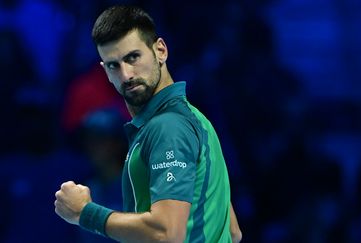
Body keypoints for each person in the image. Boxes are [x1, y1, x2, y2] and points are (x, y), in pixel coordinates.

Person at [54, 5, 242, 243]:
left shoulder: (167, 128)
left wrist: (85, 213)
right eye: (114, 65)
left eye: (133, 57)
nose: (126, 75)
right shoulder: (198, 120)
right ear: (105, 72)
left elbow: (167, 233)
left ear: (160, 50)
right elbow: (233, 232)